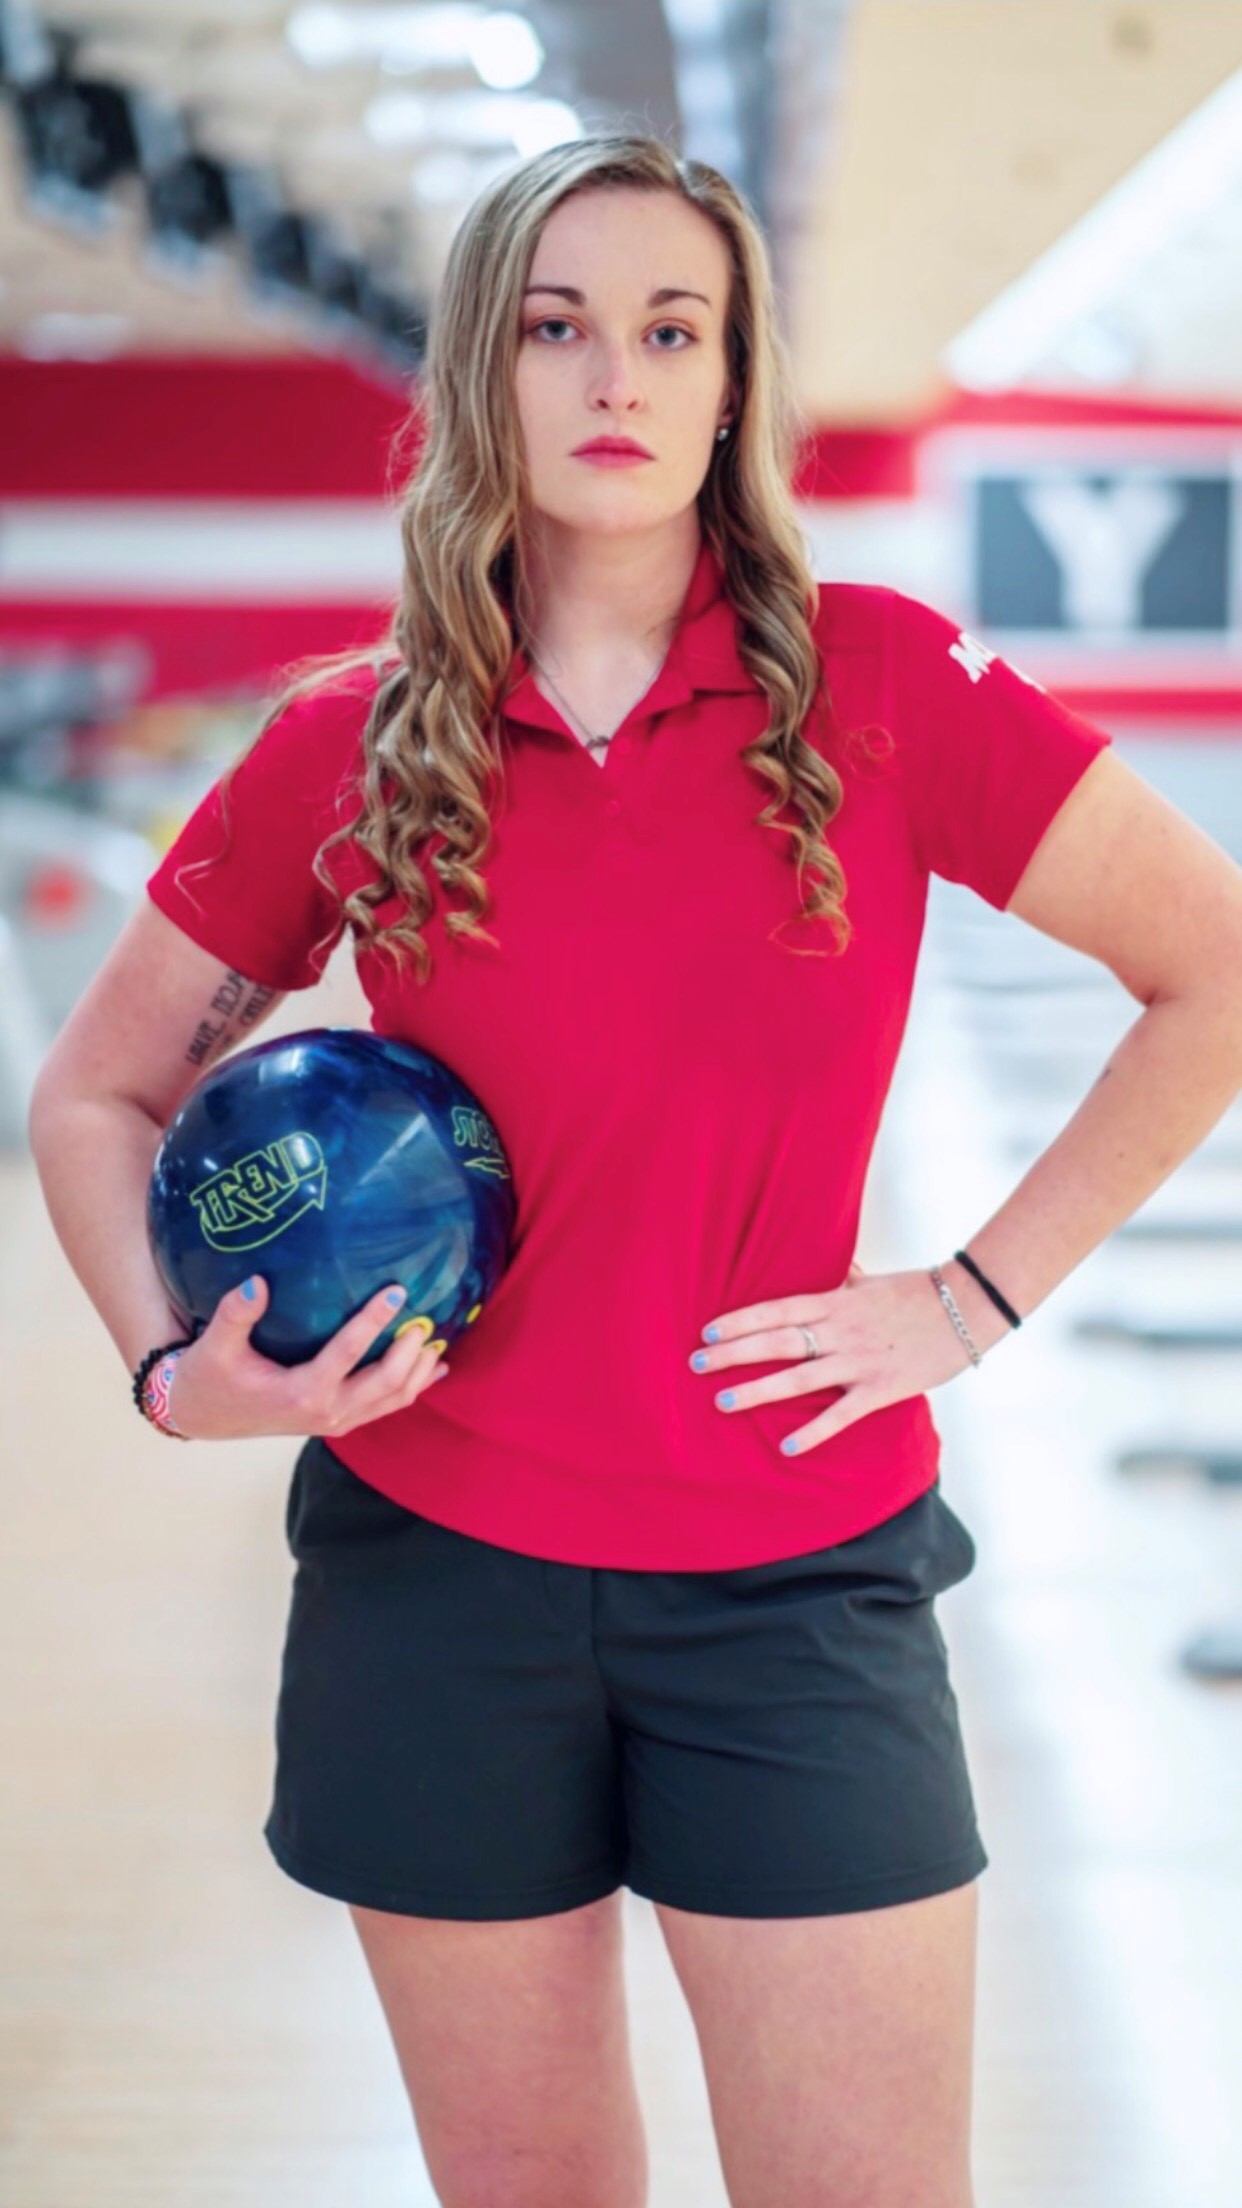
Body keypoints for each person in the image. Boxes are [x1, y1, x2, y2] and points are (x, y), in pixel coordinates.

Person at [27, 133, 1242, 2208]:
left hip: (795, 1587)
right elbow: (97, 1096)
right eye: (557, 324)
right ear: (483, 372)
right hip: (437, 1589)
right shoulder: (356, 735)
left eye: (671, 328)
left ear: (731, 374)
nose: (616, 376)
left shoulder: (881, 683)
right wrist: (177, 1375)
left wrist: (967, 1296)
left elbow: (1209, 968)